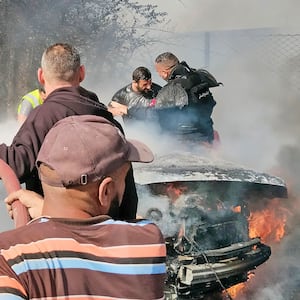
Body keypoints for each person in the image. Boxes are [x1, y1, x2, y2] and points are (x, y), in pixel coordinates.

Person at [0, 115, 166, 299]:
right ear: (105, 192)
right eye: (124, 179)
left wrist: (44, 216)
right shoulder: (148, 240)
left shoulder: (7, 257)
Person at [0, 43, 138, 220]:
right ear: (81, 73)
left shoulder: (44, 116)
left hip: (58, 233)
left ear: (41, 76)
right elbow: (128, 194)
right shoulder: (107, 120)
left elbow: (17, 165)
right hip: (110, 231)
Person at [154, 52, 221, 144]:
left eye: (158, 72)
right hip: (207, 132)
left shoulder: (171, 89)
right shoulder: (199, 75)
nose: (159, 75)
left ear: (165, 73)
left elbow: (160, 119)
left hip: (185, 141)